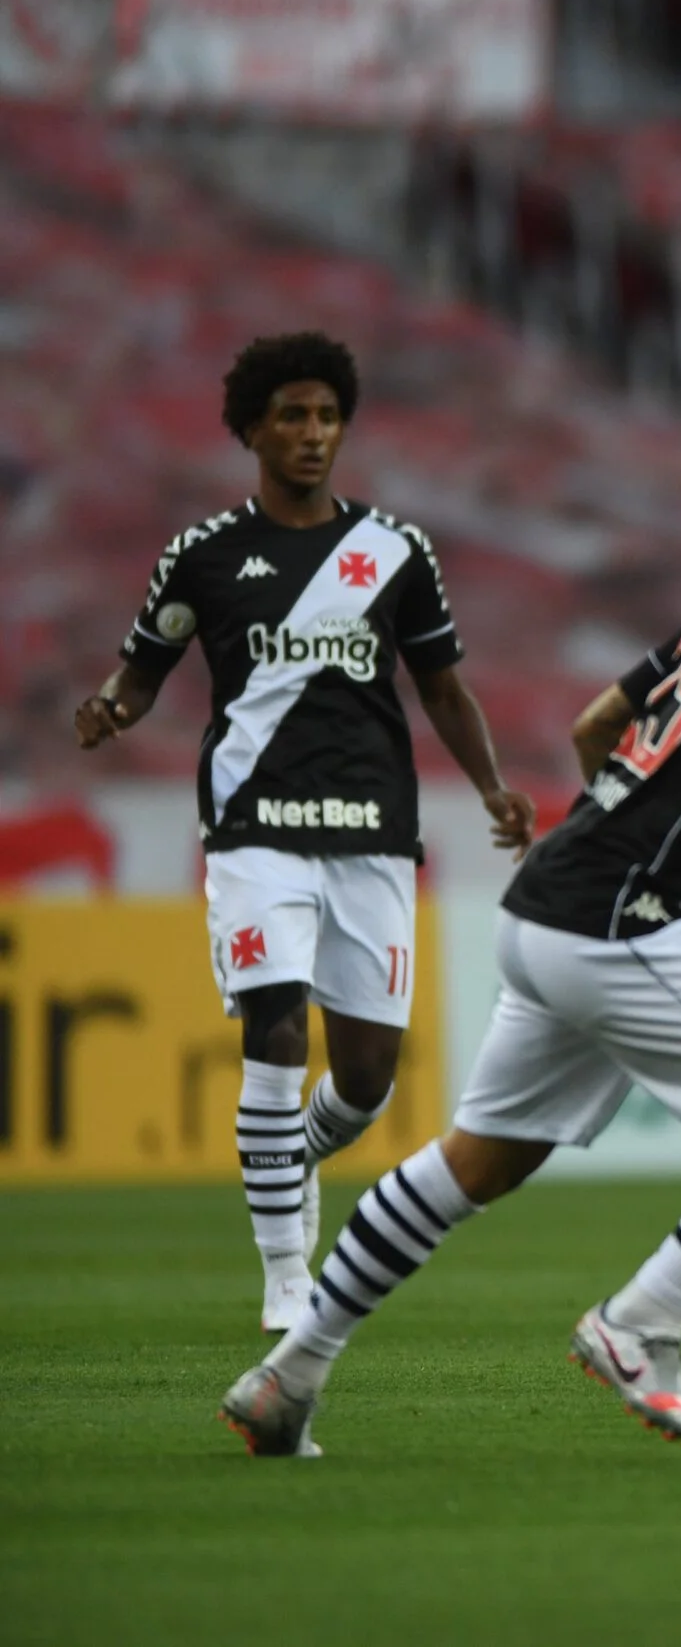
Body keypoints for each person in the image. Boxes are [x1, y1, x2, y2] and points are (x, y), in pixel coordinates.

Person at [219, 439, 681, 1456]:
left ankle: (287, 1375)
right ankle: (642, 1324)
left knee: (482, 1159)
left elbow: (598, 721)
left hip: (547, 901)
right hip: (618, 920)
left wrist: (628, 826)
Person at [73, 331, 535, 1332]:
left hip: (371, 829)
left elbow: (443, 689)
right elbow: (144, 671)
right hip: (252, 829)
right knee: (274, 1029)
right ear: (252, 429)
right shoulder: (201, 558)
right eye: (291, 415)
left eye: (327, 415)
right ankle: (289, 1277)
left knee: (366, 1082)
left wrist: (494, 786)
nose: (313, 434)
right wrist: (112, 706)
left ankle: (282, 1159)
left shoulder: (395, 553)